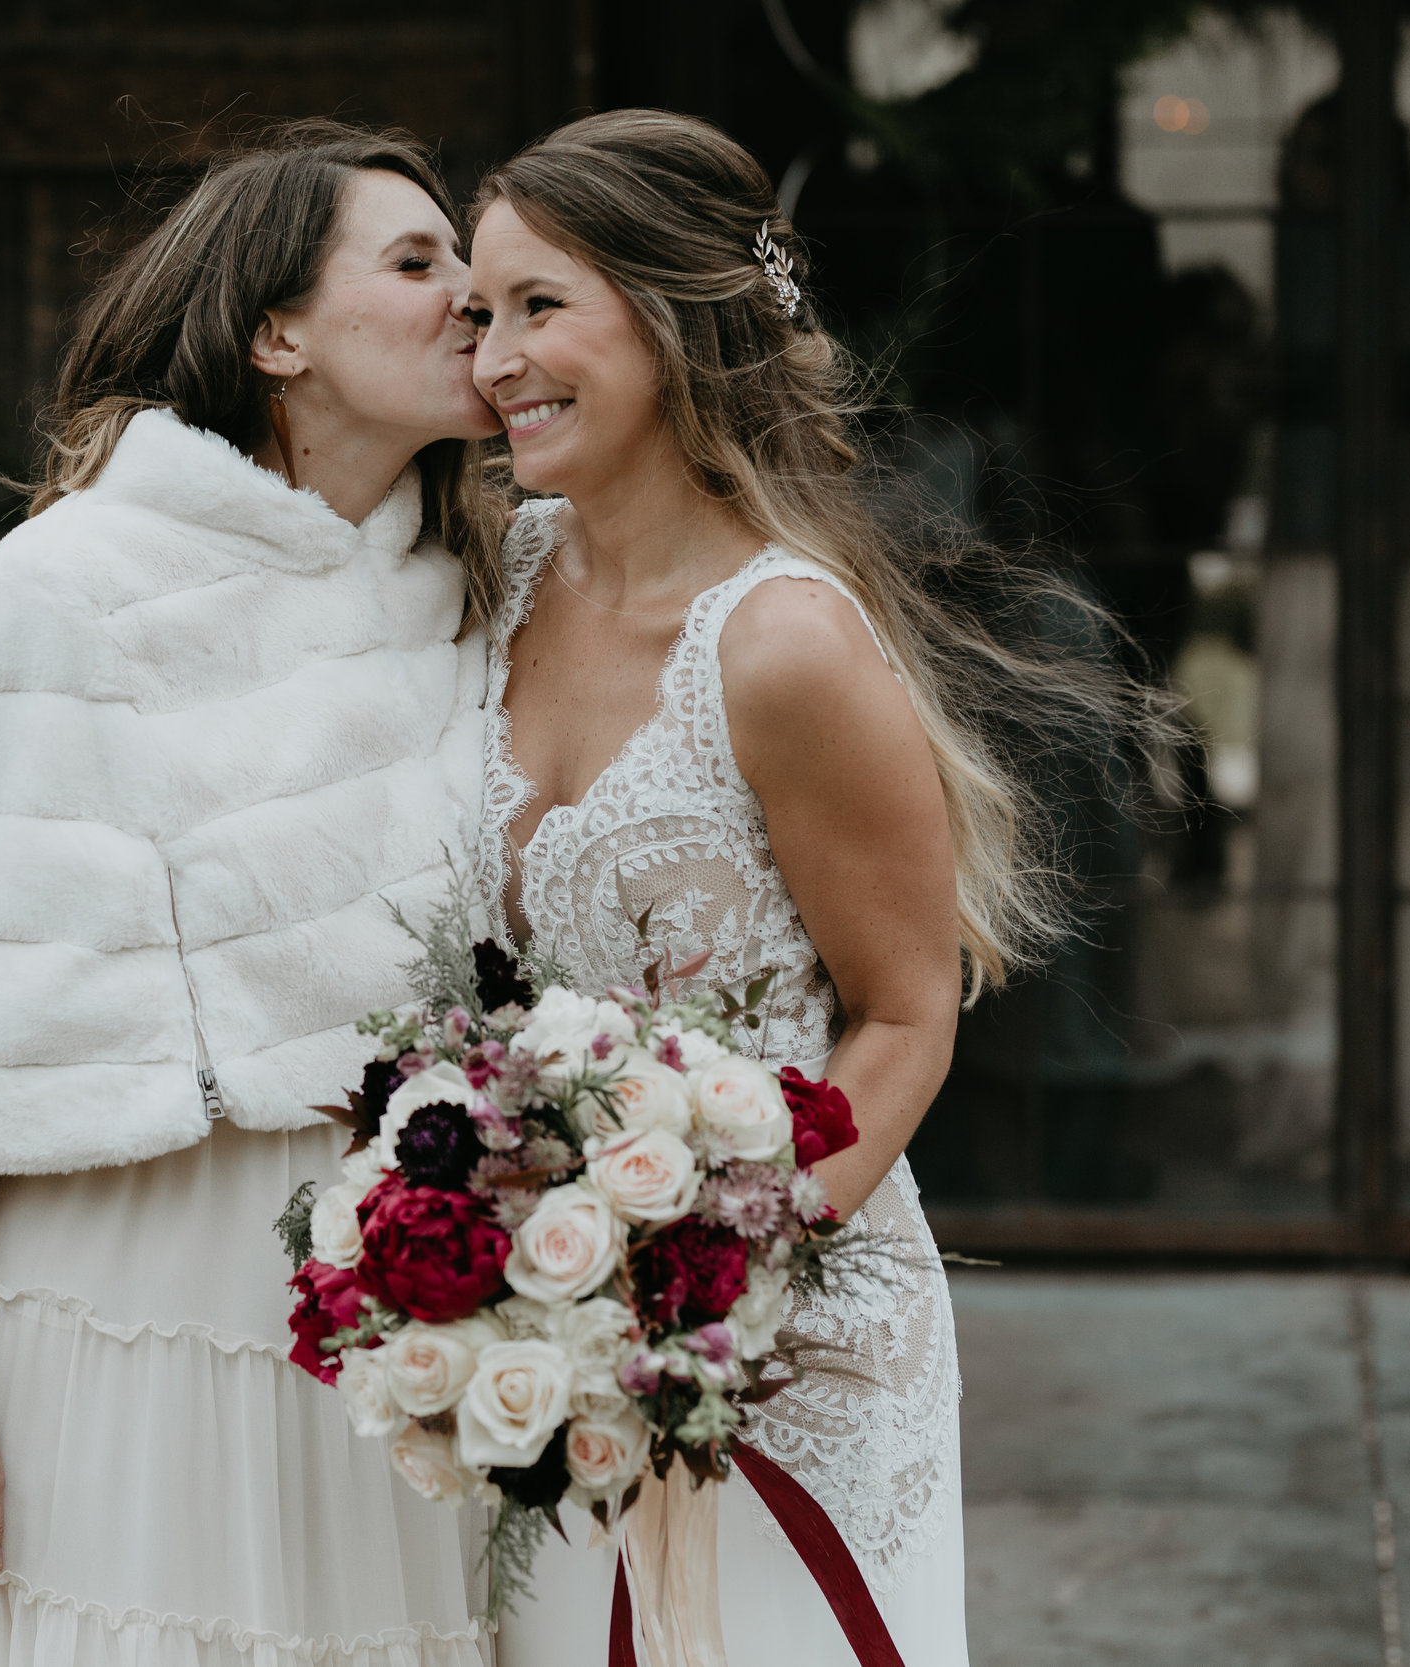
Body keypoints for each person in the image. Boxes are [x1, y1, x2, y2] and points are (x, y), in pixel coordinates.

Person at [460, 111, 1163, 1665]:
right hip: (530, 1344)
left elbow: (909, 1018)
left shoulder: (783, 646)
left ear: (671, 318)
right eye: (478, 315)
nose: (493, 359)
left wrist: (707, 1278)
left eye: (538, 308)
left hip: (781, 1342)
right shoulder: (492, 580)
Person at [0, 122, 505, 1667]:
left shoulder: (482, 595)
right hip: (136, 1283)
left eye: (480, 277)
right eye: (416, 266)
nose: (471, 307)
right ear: (277, 331)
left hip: (399, 1302)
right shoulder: (67, 595)